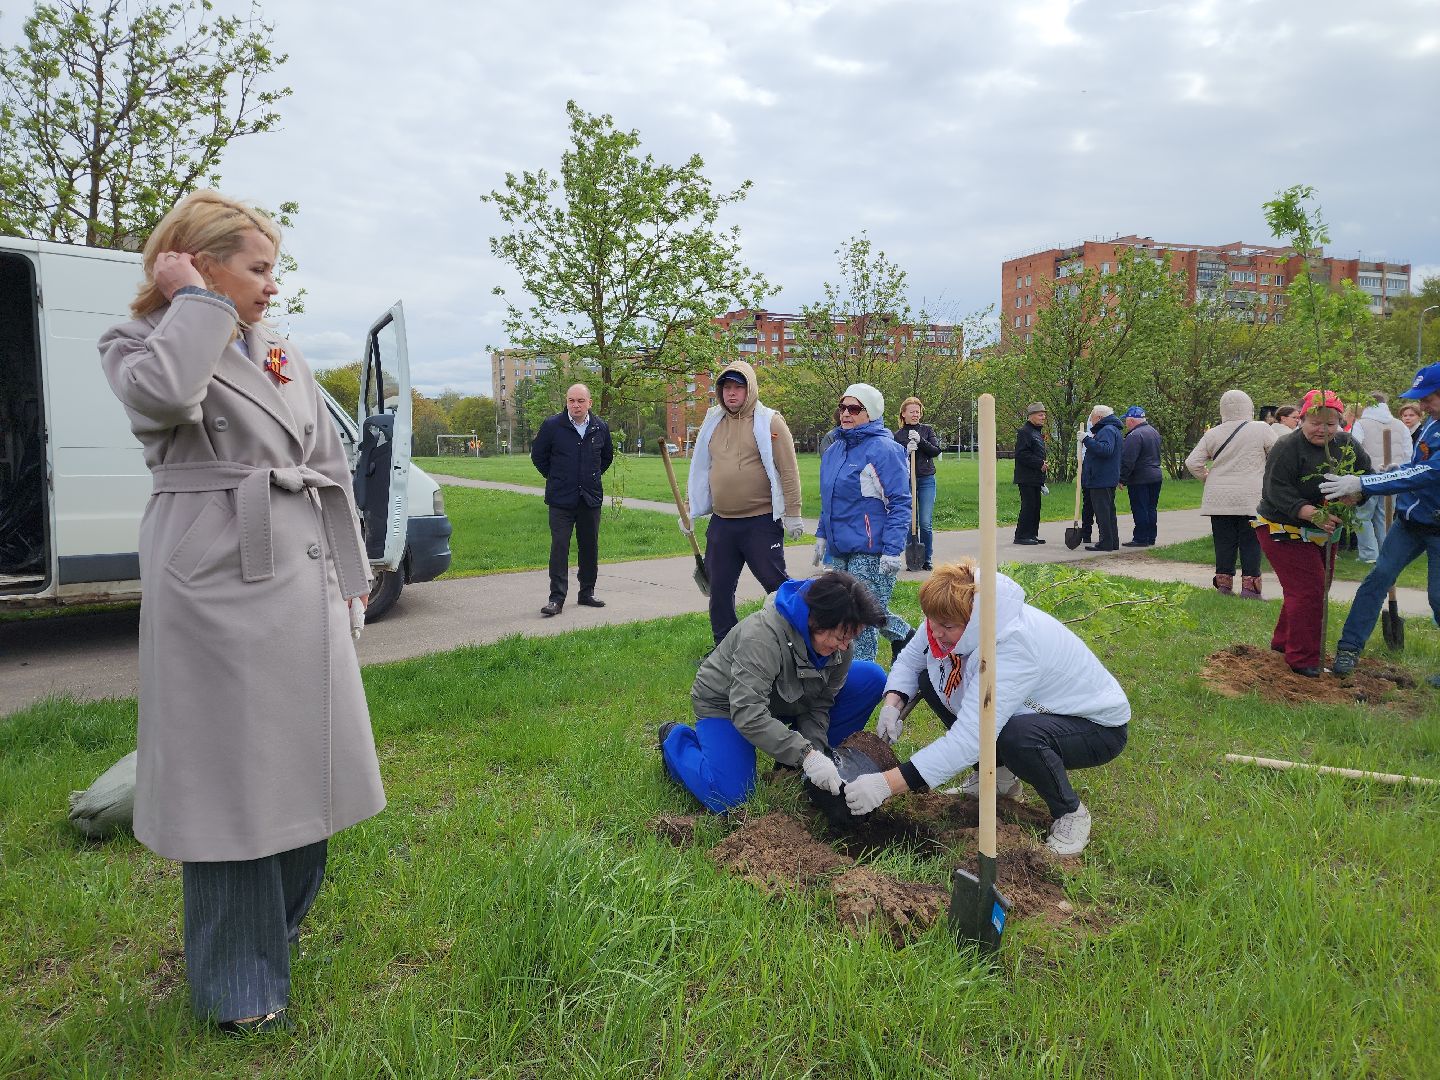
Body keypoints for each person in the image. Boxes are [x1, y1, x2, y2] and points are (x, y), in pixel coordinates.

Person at [97, 190, 385, 1033]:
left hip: (299, 570)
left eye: (273, 268)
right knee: (232, 790)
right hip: (216, 578)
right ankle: (235, 986)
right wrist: (194, 304)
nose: (271, 286)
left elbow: (326, 459)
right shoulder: (141, 341)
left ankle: (278, 934)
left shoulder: (279, 352)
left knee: (308, 764)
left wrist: (352, 570)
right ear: (199, 260)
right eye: (257, 268)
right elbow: (163, 400)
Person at [842, 560, 1130, 856]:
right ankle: (997, 779)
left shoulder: (1010, 646)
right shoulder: (948, 619)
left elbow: (970, 739)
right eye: (932, 622)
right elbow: (912, 658)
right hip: (1031, 710)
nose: (936, 633)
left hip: (1093, 725)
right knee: (931, 679)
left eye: (947, 627)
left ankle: (1070, 812)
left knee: (1018, 737)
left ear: (973, 621)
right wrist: (893, 701)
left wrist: (887, 784)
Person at [659, 571, 889, 812]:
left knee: (869, 678)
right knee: (731, 800)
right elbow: (747, 713)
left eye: (851, 638)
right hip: (728, 704)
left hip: (789, 698)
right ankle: (675, 739)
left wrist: (815, 751)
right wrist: (805, 754)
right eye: (840, 637)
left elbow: (820, 703)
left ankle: (793, 767)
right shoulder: (762, 637)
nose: (844, 647)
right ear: (815, 621)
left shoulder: (841, 647)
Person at [1326, 364, 1440, 687]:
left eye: (1428, 398)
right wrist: (1397, 467)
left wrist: (1366, 482)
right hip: (1410, 523)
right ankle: (1349, 648)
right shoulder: (1432, 424)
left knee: (1439, 598)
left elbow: (1429, 473)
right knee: (1377, 578)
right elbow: (1417, 468)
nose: (1423, 406)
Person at [1254, 389, 1372, 677]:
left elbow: (1366, 475)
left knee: (1312, 589)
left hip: (1325, 532)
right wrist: (1312, 513)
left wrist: (1355, 495)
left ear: (1340, 423)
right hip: (1283, 529)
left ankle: (1284, 643)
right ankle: (1303, 658)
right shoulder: (1287, 446)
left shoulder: (1346, 445)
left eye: (1330, 424)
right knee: (1309, 590)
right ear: (1302, 418)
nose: (1322, 429)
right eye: (1315, 422)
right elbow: (1275, 490)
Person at [685, 361, 803, 646]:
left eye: (738, 387)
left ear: (749, 389)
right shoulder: (713, 421)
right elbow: (701, 467)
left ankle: (796, 644)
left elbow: (788, 469)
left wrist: (794, 512)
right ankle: (723, 650)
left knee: (777, 587)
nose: (732, 393)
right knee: (720, 591)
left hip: (760, 522)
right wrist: (690, 507)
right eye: (727, 387)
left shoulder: (770, 421)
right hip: (722, 523)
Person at [815, 383, 913, 662]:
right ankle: (905, 635)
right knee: (841, 610)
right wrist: (822, 536)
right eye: (843, 407)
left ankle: (862, 674)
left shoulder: (885, 449)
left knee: (860, 617)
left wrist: (892, 550)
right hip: (839, 546)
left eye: (854, 408)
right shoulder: (834, 450)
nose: (846, 413)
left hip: (871, 548)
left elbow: (900, 502)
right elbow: (829, 499)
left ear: (870, 413)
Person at [1184, 389, 1279, 599]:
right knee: (1251, 542)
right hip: (1251, 495)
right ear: (1249, 406)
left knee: (1223, 542)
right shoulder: (1261, 428)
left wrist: (1207, 478)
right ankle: (1250, 589)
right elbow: (1277, 455)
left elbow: (1192, 462)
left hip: (1219, 497)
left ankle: (1224, 586)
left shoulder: (1213, 433)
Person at [530, 383, 614, 616]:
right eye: (571, 401)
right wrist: (556, 477)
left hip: (590, 498)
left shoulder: (600, 428)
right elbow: (538, 456)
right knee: (560, 547)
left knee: (589, 547)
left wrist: (590, 477)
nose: (575, 405)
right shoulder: (552, 426)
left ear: (590, 403)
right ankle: (556, 598)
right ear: (566, 402)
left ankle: (587, 593)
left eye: (580, 401)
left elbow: (606, 458)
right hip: (560, 500)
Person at [1348, 392, 1415, 563]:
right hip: (1393, 475)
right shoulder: (1400, 425)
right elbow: (1408, 453)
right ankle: (1387, 553)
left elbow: (1353, 449)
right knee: (1385, 515)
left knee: (1363, 515)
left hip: (1368, 475)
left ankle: (1369, 554)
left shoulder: (1361, 424)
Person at [894, 396, 944, 569]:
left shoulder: (927, 430)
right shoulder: (898, 435)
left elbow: (935, 451)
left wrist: (920, 441)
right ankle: (912, 558)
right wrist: (906, 452)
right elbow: (894, 461)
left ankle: (927, 558)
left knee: (925, 522)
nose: (915, 415)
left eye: (918, 411)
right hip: (907, 481)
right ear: (903, 414)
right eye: (912, 412)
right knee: (910, 522)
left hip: (926, 480)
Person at [1081, 405, 1124, 552]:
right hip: (1106, 477)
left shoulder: (1107, 430)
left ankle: (1105, 542)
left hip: (1101, 478)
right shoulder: (1112, 429)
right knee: (1108, 511)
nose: (1091, 421)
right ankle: (1112, 541)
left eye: (1091, 417)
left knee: (1102, 512)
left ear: (1099, 417)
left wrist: (1087, 440)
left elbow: (1105, 450)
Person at [1119, 405, 1163, 547]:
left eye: (1126, 420)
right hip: (1155, 475)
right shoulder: (1153, 432)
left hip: (1140, 478)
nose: (1125, 423)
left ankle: (1140, 538)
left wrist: (1122, 479)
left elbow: (1128, 460)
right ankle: (1151, 536)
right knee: (1151, 507)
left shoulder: (1134, 435)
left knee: (1140, 507)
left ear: (1131, 421)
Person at [1012, 402, 1048, 546]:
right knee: (1028, 505)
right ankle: (1021, 535)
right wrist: (1039, 463)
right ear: (1031, 416)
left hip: (1036, 477)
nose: (1043, 417)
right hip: (1026, 476)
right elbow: (1021, 454)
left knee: (1036, 506)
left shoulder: (1036, 432)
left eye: (1044, 414)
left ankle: (1032, 534)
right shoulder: (1025, 432)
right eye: (1040, 414)